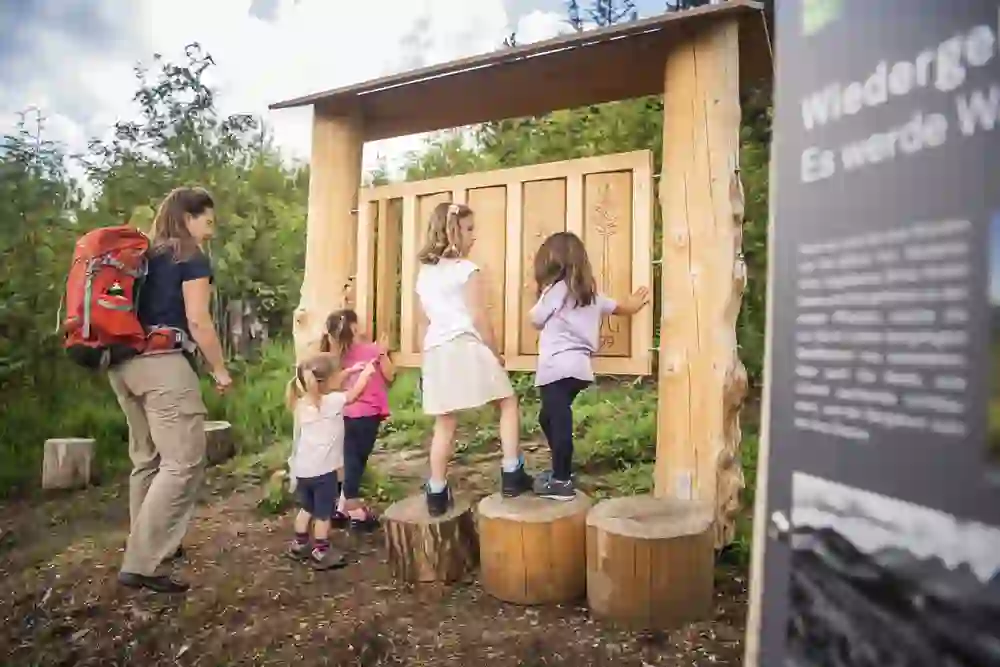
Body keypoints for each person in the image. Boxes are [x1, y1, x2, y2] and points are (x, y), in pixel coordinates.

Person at [110, 186, 232, 594]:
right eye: (207, 220)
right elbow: (198, 321)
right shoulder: (190, 256)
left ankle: (147, 541)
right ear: (189, 217)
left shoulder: (146, 256)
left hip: (123, 366)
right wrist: (219, 370)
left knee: (148, 459)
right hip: (162, 365)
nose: (210, 230)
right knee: (182, 462)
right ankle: (143, 562)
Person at [415, 202, 534, 516]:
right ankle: (511, 472)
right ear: (453, 232)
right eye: (469, 230)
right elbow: (479, 317)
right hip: (466, 345)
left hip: (437, 352)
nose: (474, 237)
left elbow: (422, 322)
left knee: (445, 422)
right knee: (507, 402)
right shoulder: (467, 270)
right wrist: (495, 353)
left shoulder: (424, 274)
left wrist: (425, 362)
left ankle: (437, 492)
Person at [529, 231, 650, 500]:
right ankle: (562, 472)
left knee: (557, 420)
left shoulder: (556, 290)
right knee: (548, 417)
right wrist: (633, 303)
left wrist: (541, 297)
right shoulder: (590, 295)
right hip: (579, 369)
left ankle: (561, 481)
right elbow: (620, 307)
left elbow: (535, 320)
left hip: (556, 368)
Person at [285, 353, 377, 569]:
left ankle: (299, 544)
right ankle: (321, 551)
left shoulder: (301, 403)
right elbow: (354, 394)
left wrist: (350, 371)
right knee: (323, 515)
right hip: (323, 473)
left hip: (303, 471)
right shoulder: (332, 402)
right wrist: (365, 374)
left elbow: (329, 382)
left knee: (306, 509)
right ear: (325, 382)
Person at [320, 308, 394, 531]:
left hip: (342, 414)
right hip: (365, 416)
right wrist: (382, 353)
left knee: (347, 461)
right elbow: (390, 376)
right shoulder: (371, 351)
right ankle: (356, 512)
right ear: (353, 328)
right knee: (356, 464)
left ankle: (340, 508)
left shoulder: (331, 357)